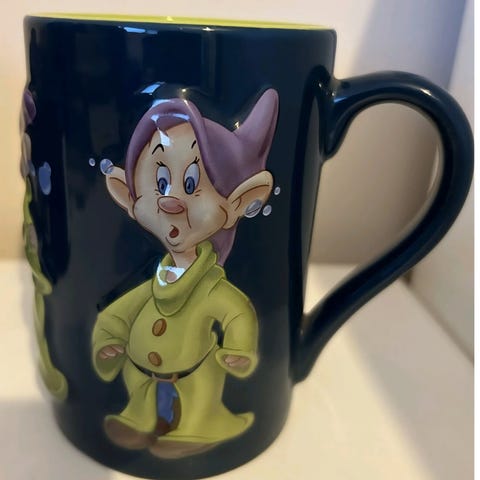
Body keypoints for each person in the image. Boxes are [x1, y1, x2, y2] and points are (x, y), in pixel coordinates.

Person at [91, 88, 279, 459]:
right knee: (141, 393)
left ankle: (194, 428)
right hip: (144, 374)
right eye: (159, 183)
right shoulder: (157, 280)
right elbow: (122, 311)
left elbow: (237, 312)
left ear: (240, 201)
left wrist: (238, 348)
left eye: (191, 183)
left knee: (197, 399)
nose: (170, 200)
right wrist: (110, 336)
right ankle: (138, 418)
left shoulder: (209, 289)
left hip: (193, 375)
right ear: (129, 196)